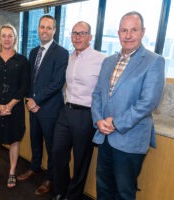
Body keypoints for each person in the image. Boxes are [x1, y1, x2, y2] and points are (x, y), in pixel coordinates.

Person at [92, 11, 165, 200]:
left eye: (134, 30)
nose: (128, 35)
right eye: (124, 30)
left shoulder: (154, 61)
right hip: (105, 136)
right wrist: (99, 120)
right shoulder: (108, 61)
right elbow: (97, 94)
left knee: (124, 192)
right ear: (118, 33)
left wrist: (115, 123)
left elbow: (148, 102)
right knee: (103, 186)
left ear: (143, 32)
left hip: (130, 139)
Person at [52, 21, 106, 200]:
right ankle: (61, 190)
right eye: (75, 33)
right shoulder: (70, 57)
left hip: (86, 114)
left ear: (90, 37)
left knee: (81, 160)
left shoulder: (101, 59)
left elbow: (105, 90)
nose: (77, 37)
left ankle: (72, 197)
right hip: (65, 112)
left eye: (82, 33)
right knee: (58, 153)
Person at [17, 15, 69, 195]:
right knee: (35, 140)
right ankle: (34, 167)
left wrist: (36, 100)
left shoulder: (62, 53)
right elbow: (30, 80)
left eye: (49, 27)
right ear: (38, 29)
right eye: (42, 27)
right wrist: (28, 100)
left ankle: (50, 178)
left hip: (50, 109)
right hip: (33, 107)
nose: (44, 30)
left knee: (52, 145)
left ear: (54, 30)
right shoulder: (33, 52)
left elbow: (57, 82)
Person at [0, 24, 29, 188]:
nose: (7, 38)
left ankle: (12, 172)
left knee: (14, 140)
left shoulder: (22, 60)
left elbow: (24, 85)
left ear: (15, 38)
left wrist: (9, 105)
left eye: (10, 35)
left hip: (14, 108)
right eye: (4, 35)